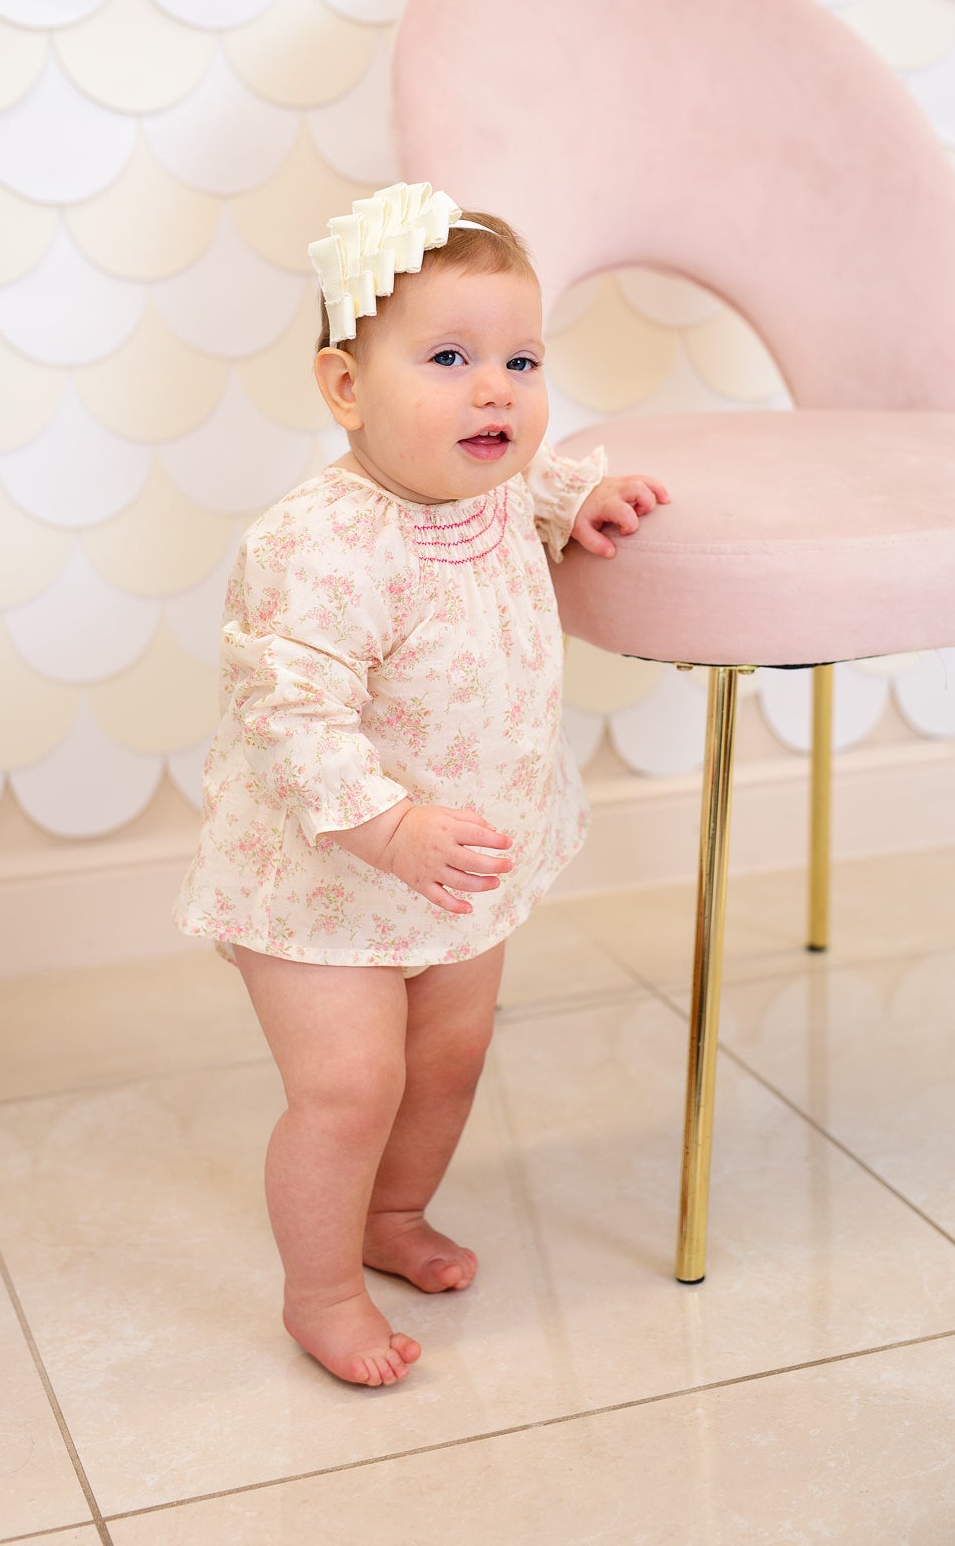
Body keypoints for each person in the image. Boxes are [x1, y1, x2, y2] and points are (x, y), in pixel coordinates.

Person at [174, 182, 670, 1388]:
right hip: (328, 873)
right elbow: (288, 712)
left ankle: (392, 1217)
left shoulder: (489, 488)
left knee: (449, 1059)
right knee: (353, 1086)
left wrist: (581, 497)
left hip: (458, 862)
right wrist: (387, 828)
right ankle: (320, 1288)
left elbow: (531, 489)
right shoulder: (320, 545)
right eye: (450, 358)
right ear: (347, 388)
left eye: (521, 361)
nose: (496, 390)